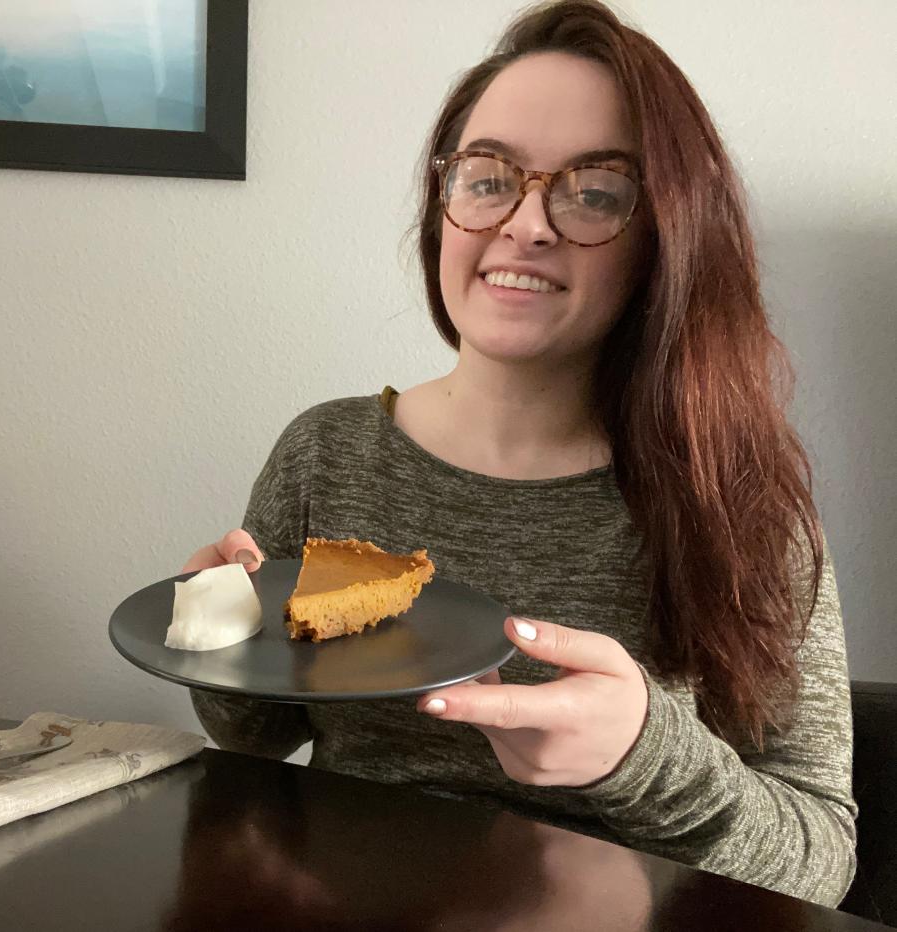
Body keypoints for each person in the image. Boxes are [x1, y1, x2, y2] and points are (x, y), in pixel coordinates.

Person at [180, 0, 856, 908]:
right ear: (444, 204)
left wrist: (643, 756)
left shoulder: (741, 500)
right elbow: (254, 737)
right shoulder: (327, 452)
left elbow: (822, 854)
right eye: (489, 176)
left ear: (666, 238)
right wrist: (215, 634)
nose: (528, 224)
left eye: (596, 192)